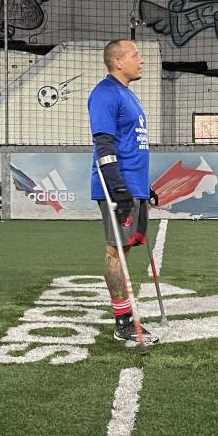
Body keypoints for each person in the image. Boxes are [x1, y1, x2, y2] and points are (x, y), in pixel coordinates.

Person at [88, 39, 159, 345]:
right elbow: (104, 143)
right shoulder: (105, 94)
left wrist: (145, 187)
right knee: (115, 250)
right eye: (135, 55)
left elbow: (132, 144)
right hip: (119, 186)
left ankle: (124, 315)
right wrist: (118, 186)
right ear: (118, 61)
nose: (141, 60)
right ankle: (123, 323)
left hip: (134, 186)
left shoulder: (128, 95)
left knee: (125, 248)